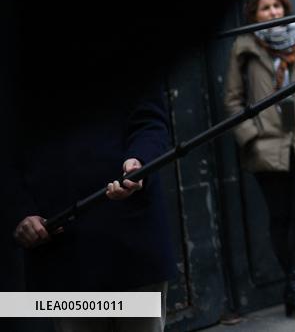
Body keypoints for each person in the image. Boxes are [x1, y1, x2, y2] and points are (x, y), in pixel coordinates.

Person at [9, 93, 177, 332]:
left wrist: (140, 162)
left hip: (129, 237)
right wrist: (20, 213)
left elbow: (150, 121)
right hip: (59, 244)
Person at [223, 0, 295, 319]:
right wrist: (251, 137)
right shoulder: (244, 47)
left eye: (277, 6)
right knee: (280, 219)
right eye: (265, 8)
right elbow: (233, 100)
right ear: (254, 15)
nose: (273, 12)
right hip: (267, 148)